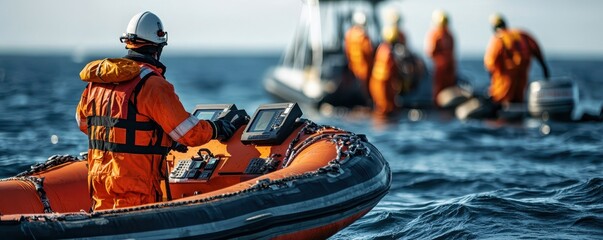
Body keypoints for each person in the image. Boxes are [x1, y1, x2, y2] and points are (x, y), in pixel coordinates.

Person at [75, 11, 243, 211]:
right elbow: (189, 134)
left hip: (100, 185)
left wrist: (157, 139)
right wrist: (217, 128)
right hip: (135, 190)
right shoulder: (152, 85)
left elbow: (84, 123)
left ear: (128, 43)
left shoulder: (97, 84)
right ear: (158, 47)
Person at [484, 13, 550, 106]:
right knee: (518, 101)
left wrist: (491, 80)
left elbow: (490, 61)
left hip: (505, 81)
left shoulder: (498, 38)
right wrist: (544, 67)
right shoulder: (522, 34)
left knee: (502, 101)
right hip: (522, 78)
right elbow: (536, 48)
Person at [425, 10, 457, 106]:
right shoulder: (449, 34)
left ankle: (440, 105)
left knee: (440, 88)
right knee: (446, 87)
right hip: (447, 65)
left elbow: (430, 51)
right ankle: (445, 104)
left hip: (442, 65)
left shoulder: (437, 34)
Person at [369, 26, 402, 117]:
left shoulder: (381, 48)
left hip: (378, 81)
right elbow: (391, 69)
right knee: (384, 107)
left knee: (386, 106)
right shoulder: (388, 52)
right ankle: (383, 128)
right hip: (383, 83)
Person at [344, 11, 374, 99]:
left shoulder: (349, 34)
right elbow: (369, 52)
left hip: (353, 69)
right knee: (365, 92)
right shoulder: (363, 37)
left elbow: (347, 52)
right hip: (363, 69)